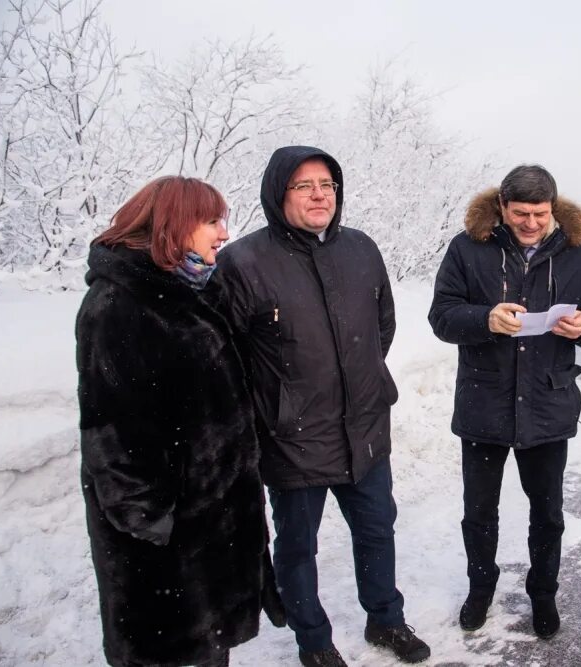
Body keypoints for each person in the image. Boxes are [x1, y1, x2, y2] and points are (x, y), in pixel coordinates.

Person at [215, 146, 430, 667]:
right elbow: (225, 355)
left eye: (328, 185)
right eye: (304, 185)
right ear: (277, 193)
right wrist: (276, 407)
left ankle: (385, 619)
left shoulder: (361, 248)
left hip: (365, 426)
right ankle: (312, 640)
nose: (319, 195)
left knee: (378, 529)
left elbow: (383, 325)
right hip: (294, 436)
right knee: (297, 547)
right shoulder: (243, 261)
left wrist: (363, 382)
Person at [76, 176, 284, 667]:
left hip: (207, 536)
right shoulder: (119, 306)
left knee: (209, 654)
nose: (223, 232)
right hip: (168, 557)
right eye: (211, 220)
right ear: (173, 225)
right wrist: (155, 527)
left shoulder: (186, 294)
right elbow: (114, 437)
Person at [428, 165, 581, 639]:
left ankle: (544, 594)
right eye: (520, 213)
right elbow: (442, 316)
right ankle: (480, 589)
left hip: (547, 403)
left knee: (547, 513)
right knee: (479, 512)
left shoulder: (577, 252)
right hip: (484, 400)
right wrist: (486, 319)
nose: (531, 223)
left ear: (553, 209)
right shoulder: (468, 248)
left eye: (540, 213)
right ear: (502, 208)